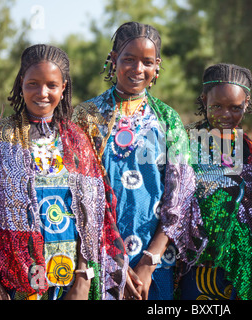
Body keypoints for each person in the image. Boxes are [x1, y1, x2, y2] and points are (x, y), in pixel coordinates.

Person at [0, 44, 127, 300]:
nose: (42, 92)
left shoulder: (76, 139)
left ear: (63, 88)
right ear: (21, 84)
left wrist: (83, 280)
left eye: (51, 85)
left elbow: (92, 215)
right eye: (32, 83)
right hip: (15, 281)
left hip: (71, 281)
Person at [72, 22, 199, 300]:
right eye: (128, 59)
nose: (137, 68)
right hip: (98, 255)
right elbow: (79, 192)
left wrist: (149, 262)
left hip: (152, 262)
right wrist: (112, 259)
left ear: (157, 67)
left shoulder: (167, 119)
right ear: (113, 59)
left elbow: (179, 197)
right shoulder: (86, 116)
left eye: (147, 62)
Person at [177, 63, 252, 300]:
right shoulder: (185, 140)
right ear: (204, 99)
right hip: (195, 259)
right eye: (216, 106)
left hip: (241, 259)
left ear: (246, 104)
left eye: (235, 107)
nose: (225, 115)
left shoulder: (251, 149)